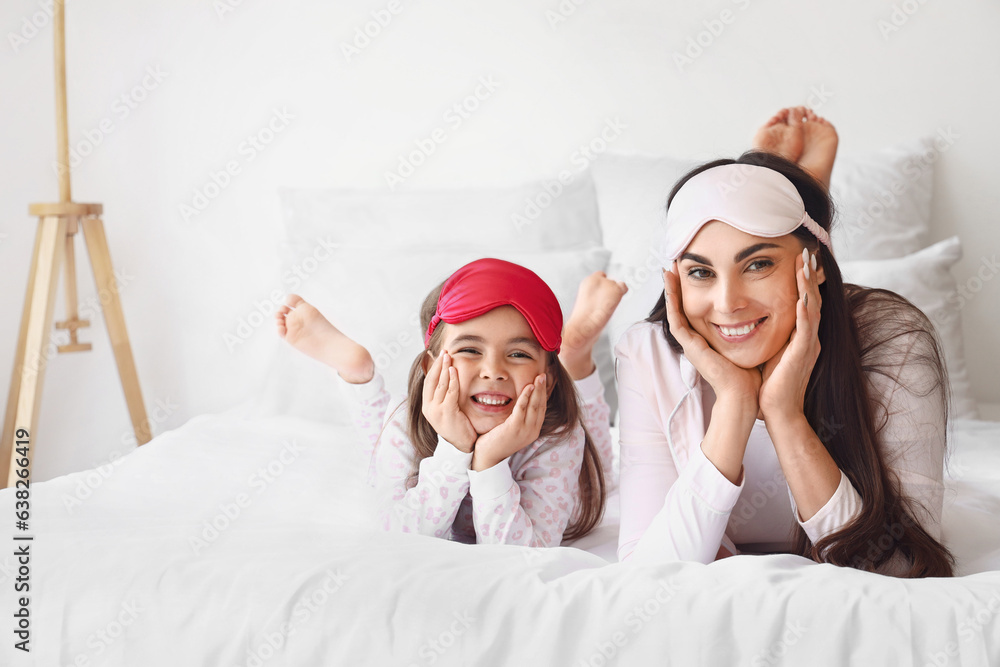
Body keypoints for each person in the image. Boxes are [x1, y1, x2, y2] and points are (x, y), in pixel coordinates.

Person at [615, 106, 956, 577]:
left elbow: (904, 571)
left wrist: (785, 414)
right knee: (765, 301)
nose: (727, 302)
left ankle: (794, 198)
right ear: (674, 281)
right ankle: (788, 191)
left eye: (757, 264)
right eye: (700, 271)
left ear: (811, 264)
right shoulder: (646, 352)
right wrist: (735, 403)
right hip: (800, 275)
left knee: (802, 301)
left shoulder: (894, 338)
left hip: (826, 297)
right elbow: (645, 575)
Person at [275, 258, 627, 546]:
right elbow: (396, 536)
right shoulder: (404, 419)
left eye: (518, 353)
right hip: (412, 420)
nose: (493, 371)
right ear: (430, 368)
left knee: (601, 472)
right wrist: (454, 450)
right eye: (470, 350)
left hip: (563, 441)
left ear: (546, 380)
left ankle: (574, 355)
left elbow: (521, 555)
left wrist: (489, 463)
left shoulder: (558, 438)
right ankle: (359, 375)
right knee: (379, 442)